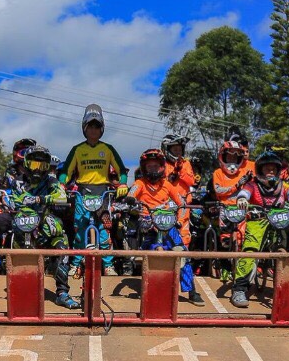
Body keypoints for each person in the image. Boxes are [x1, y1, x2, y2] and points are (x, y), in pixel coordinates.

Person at [3, 145, 81, 309]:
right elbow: (15, 200)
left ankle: (62, 293)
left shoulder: (51, 180)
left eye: (42, 165)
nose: (38, 169)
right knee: (13, 239)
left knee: (61, 241)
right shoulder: (18, 182)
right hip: (23, 223)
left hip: (45, 221)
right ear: (26, 164)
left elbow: (61, 195)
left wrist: (40, 199)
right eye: (34, 165)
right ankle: (19, 287)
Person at [127, 148, 199, 304]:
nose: (153, 169)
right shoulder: (139, 183)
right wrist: (131, 200)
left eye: (156, 166)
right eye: (149, 166)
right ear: (144, 168)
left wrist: (179, 219)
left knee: (182, 253)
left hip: (168, 224)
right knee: (148, 252)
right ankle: (151, 286)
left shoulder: (167, 184)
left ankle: (191, 291)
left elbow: (182, 203)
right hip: (148, 223)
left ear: (162, 167)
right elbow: (131, 194)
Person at [229, 151, 289, 307]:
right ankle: (239, 288)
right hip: (257, 221)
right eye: (267, 169)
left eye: (273, 169)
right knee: (250, 251)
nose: (271, 171)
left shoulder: (283, 185)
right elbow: (244, 193)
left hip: (278, 221)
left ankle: (287, 288)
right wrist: (243, 199)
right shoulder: (252, 184)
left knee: (286, 249)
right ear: (260, 170)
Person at [61, 104, 129, 254]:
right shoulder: (77, 149)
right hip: (82, 192)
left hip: (102, 193)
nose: (93, 130)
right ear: (84, 128)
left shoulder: (108, 149)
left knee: (105, 228)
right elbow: (66, 172)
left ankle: (108, 265)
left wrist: (123, 183)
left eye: (97, 127)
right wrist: (61, 185)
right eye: (90, 126)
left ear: (102, 129)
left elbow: (121, 171)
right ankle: (77, 263)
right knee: (80, 227)